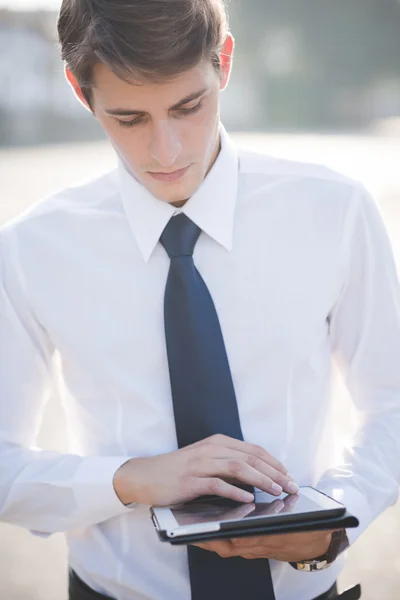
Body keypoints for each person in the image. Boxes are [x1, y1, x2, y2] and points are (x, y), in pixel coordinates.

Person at [0, 0, 399, 599]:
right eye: (130, 118)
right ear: (80, 93)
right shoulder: (32, 248)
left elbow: (393, 402)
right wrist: (129, 480)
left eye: (189, 107)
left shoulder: (334, 211)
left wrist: (334, 523)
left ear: (225, 63)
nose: (167, 151)